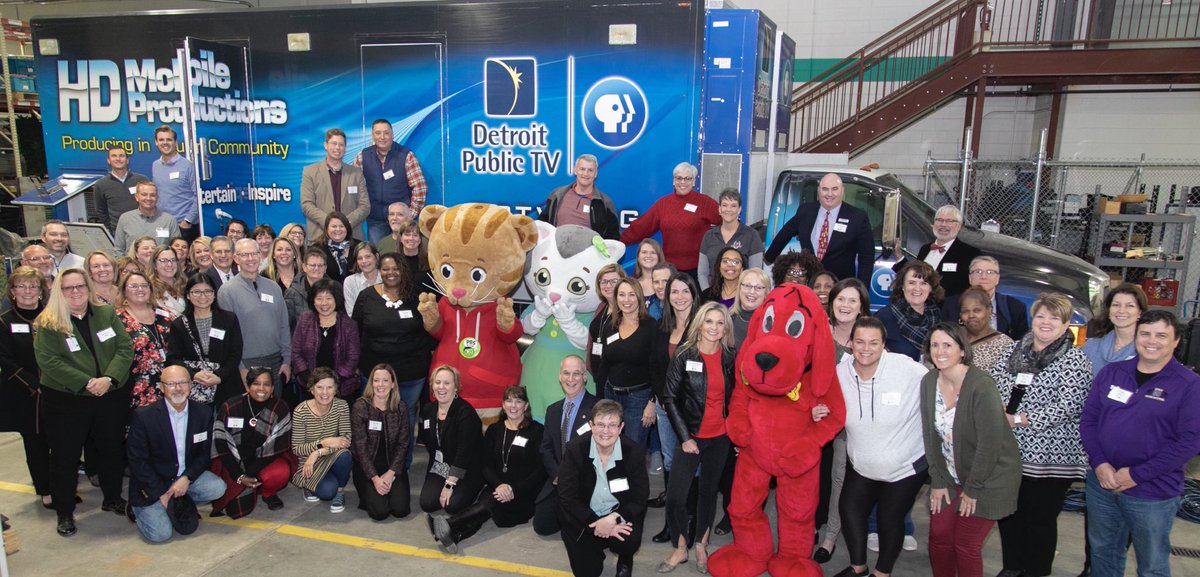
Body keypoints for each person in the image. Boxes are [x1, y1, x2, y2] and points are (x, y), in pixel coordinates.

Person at [1080, 310, 1200, 577]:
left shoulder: (1189, 385)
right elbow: (1088, 421)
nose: (1151, 341)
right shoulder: (1112, 373)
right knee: (1103, 553)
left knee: (1152, 564)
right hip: (1102, 484)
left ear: (1176, 341)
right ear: (1136, 337)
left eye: (1161, 335)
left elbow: (1191, 442)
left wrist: (1136, 475)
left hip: (1152, 492)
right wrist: (1099, 464)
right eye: (1145, 333)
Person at [991, 292, 1092, 577]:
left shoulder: (1074, 359)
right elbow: (993, 383)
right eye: (1041, 316)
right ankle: (1012, 567)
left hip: (1050, 457)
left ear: (1065, 324)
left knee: (1040, 520)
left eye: (1054, 318)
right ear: (1032, 318)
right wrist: (997, 410)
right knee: (1008, 513)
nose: (1046, 322)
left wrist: (1021, 419)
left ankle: (1035, 571)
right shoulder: (1014, 350)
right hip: (1010, 451)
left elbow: (1069, 405)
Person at [825, 317, 929, 577]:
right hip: (862, 463)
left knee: (889, 519)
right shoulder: (841, 372)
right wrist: (820, 410)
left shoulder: (906, 368)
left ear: (884, 345)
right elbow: (826, 402)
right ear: (850, 343)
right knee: (849, 510)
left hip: (904, 466)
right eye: (859, 341)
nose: (866, 348)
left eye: (874, 343)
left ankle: (882, 573)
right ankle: (858, 566)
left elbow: (939, 385)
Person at [33, 268, 133, 536]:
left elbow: (125, 348)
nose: (75, 292)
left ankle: (112, 498)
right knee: (65, 458)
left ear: (89, 288)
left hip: (108, 395)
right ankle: (64, 512)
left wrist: (109, 378)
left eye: (80, 286)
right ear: (59, 292)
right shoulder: (49, 323)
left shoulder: (105, 313)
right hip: (67, 400)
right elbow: (49, 362)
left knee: (111, 449)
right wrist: (89, 383)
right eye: (68, 288)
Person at [920, 323, 1021, 577]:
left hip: (989, 478)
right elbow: (930, 435)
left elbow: (990, 444)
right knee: (939, 537)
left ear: (962, 351)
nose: (940, 351)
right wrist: (938, 479)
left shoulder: (981, 385)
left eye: (947, 345)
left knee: (965, 544)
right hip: (950, 475)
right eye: (934, 345)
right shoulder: (929, 381)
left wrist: (972, 488)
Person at [658, 303, 735, 573]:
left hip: (721, 438)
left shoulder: (729, 356)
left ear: (726, 327)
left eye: (719, 322)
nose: (714, 327)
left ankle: (702, 544)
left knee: (708, 492)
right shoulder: (684, 355)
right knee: (677, 497)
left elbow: (736, 397)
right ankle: (681, 548)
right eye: (709, 321)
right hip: (691, 436)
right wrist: (684, 437)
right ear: (699, 324)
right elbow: (669, 398)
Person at [430, 385, 547, 553]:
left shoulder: (537, 431)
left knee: (486, 506)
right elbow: (485, 465)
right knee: (485, 507)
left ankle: (448, 524)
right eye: (509, 400)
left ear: (526, 406)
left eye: (518, 401)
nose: (513, 405)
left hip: (522, 493)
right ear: (503, 405)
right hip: (496, 486)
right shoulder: (495, 430)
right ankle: (454, 535)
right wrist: (499, 485)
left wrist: (514, 490)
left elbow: (540, 469)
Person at [352, 252, 435, 468]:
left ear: (403, 271)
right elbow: (356, 331)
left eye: (396, 268)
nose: (391, 273)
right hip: (373, 372)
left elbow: (429, 330)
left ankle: (401, 467)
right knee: (372, 417)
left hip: (411, 372)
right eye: (386, 268)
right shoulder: (366, 296)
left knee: (404, 419)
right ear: (380, 270)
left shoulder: (417, 296)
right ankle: (372, 465)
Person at [126, 365, 226, 542]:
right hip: (152, 481)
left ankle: (178, 501)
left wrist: (186, 478)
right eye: (171, 384)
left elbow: (204, 455)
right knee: (160, 535)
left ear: (190, 386)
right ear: (162, 387)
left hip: (182, 478)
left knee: (217, 488)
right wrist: (161, 493)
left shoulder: (203, 413)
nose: (178, 388)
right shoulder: (144, 416)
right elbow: (137, 460)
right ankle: (137, 509)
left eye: (182, 383)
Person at [812, 278, 871, 562]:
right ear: (831, 302)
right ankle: (809, 524)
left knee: (838, 480)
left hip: (848, 426)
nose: (845, 305)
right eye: (840, 299)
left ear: (861, 306)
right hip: (814, 419)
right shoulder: (820, 331)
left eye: (852, 300)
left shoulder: (867, 338)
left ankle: (830, 537)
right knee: (810, 478)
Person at [557, 398, 650, 577]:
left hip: (617, 513)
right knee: (587, 573)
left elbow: (640, 497)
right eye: (600, 424)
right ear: (591, 425)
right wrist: (596, 524)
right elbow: (567, 497)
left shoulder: (633, 452)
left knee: (628, 540)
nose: (605, 431)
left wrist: (613, 519)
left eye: (612, 425)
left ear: (621, 427)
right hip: (585, 516)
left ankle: (625, 557)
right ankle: (595, 545)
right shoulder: (575, 450)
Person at [647, 271, 702, 542]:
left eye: (684, 291)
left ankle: (690, 522)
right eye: (674, 292)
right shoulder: (662, 328)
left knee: (692, 466)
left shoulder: (702, 329)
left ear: (693, 294)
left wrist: (678, 403)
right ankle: (672, 523)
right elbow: (655, 369)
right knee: (669, 463)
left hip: (692, 410)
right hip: (665, 409)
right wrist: (664, 401)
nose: (679, 297)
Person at [210, 367, 297, 517]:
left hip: (264, 461)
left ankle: (268, 492)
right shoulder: (230, 406)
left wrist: (250, 473)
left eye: (267, 384)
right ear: (247, 386)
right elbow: (221, 443)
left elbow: (277, 446)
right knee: (236, 509)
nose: (261, 388)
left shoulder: (280, 408)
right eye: (256, 383)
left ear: (272, 388)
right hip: (234, 461)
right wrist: (239, 475)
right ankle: (249, 485)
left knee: (280, 472)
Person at [0, 267, 52, 508]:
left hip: (56, 390)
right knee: (35, 444)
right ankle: (45, 489)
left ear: (41, 291)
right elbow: (5, 360)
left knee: (61, 442)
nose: (28, 291)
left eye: (33, 286)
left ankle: (62, 485)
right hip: (25, 394)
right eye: (22, 286)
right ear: (13, 291)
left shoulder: (52, 316)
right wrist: (34, 384)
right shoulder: (5, 320)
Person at [764, 173, 874, 285]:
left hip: (839, 286)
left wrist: (861, 290)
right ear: (819, 190)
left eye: (834, 189)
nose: (829, 194)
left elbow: (866, 257)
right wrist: (768, 258)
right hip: (808, 283)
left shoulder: (857, 217)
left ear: (842, 190)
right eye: (825, 189)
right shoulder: (805, 211)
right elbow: (785, 233)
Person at [217, 238, 291, 399]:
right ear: (236, 258)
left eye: (254, 253)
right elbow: (227, 336)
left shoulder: (273, 287)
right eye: (245, 255)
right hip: (246, 362)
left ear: (260, 256)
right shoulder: (227, 291)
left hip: (276, 361)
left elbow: (284, 325)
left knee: (273, 410)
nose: (250, 258)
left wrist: (287, 359)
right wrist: (240, 366)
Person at [620, 162, 721, 278]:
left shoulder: (705, 202)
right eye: (679, 178)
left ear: (693, 181)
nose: (683, 182)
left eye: (687, 178)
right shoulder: (663, 204)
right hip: (669, 269)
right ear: (674, 181)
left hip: (698, 270)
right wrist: (618, 241)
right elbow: (641, 227)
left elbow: (727, 219)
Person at [535, 355, 598, 536]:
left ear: (585, 377)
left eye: (576, 374)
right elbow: (546, 448)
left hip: (585, 479)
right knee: (542, 526)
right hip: (559, 478)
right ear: (559, 377)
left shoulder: (597, 408)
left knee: (579, 529)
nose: (571, 379)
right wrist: (557, 475)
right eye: (566, 373)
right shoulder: (553, 410)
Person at [593, 277, 657, 447]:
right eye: (621, 295)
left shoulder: (651, 327)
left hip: (639, 399)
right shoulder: (611, 326)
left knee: (633, 450)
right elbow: (604, 366)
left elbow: (657, 368)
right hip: (611, 395)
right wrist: (600, 402)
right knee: (609, 446)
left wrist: (652, 402)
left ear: (639, 297)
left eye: (631, 295)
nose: (626, 300)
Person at [166, 273, 244, 406]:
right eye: (196, 292)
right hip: (195, 387)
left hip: (226, 383)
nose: (203, 296)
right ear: (188, 295)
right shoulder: (179, 325)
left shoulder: (229, 319)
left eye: (208, 291)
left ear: (214, 294)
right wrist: (194, 374)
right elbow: (173, 358)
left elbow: (235, 353)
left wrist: (219, 376)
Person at [418, 365, 484, 517]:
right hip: (441, 466)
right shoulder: (428, 410)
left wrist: (449, 484)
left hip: (466, 467)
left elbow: (464, 452)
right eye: (437, 382)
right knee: (427, 503)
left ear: (456, 387)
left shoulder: (465, 413)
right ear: (432, 386)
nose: (441, 387)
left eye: (447, 383)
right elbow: (431, 445)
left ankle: (477, 487)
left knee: (452, 505)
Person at [350, 364, 412, 521]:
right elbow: (360, 448)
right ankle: (374, 491)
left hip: (393, 466)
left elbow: (403, 443)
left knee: (401, 510)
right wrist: (375, 479)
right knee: (380, 513)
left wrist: (391, 473)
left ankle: (390, 489)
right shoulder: (360, 407)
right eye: (376, 380)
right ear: (371, 383)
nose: (380, 384)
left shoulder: (401, 407)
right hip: (368, 469)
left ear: (392, 384)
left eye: (385, 380)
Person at [357, 118, 429, 244]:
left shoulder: (406, 156)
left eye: (386, 133)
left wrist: (409, 215)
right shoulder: (363, 157)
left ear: (392, 134)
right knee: (379, 256)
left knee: (403, 256)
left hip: (401, 220)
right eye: (378, 133)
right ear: (372, 135)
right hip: (375, 221)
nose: (382, 137)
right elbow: (355, 186)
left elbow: (420, 188)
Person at [291, 367, 353, 512]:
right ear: (312, 390)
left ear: (336, 389)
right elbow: (297, 448)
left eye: (329, 387)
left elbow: (346, 439)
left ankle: (340, 491)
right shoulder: (301, 411)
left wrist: (318, 452)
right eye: (319, 387)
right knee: (326, 492)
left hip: (330, 456)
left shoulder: (342, 406)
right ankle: (308, 484)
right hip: (308, 463)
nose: (325, 392)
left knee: (345, 456)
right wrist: (323, 443)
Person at [291, 278, 360, 400]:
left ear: (336, 299)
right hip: (309, 387)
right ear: (313, 301)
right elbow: (296, 352)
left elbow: (352, 358)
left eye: (329, 298)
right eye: (319, 298)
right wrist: (310, 380)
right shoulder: (304, 319)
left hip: (341, 388)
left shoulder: (349, 325)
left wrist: (332, 383)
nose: (324, 303)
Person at [891, 205, 980, 298]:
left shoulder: (970, 253)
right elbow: (914, 277)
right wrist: (898, 256)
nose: (943, 225)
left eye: (949, 221)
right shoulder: (925, 249)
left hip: (947, 310)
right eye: (939, 220)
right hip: (921, 306)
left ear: (958, 226)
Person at [116, 269, 172, 409]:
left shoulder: (165, 314)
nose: (140, 289)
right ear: (124, 291)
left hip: (170, 384)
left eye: (144, 285)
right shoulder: (116, 319)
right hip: (135, 387)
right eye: (133, 286)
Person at [301, 127, 370, 240]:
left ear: (345, 148)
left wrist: (345, 223)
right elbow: (307, 205)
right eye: (334, 143)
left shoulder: (356, 173)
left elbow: (365, 206)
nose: (337, 147)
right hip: (320, 236)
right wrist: (329, 223)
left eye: (341, 144)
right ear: (326, 145)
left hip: (351, 236)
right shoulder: (310, 172)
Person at [941, 256, 1029, 341]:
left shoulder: (1015, 307)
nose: (983, 276)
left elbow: (1020, 345)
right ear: (970, 278)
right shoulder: (950, 305)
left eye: (990, 272)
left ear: (997, 278)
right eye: (978, 271)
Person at [539, 153, 620, 240]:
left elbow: (613, 236)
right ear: (575, 170)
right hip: (557, 250)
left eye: (590, 170)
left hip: (589, 252)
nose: (585, 173)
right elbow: (542, 223)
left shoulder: (605, 202)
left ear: (595, 174)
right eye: (582, 169)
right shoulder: (557, 195)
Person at [696, 189, 764, 291]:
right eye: (725, 205)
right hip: (712, 297)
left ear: (739, 209)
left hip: (740, 296)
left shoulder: (752, 235)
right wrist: (707, 295)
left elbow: (756, 273)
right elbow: (702, 273)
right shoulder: (709, 236)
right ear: (719, 209)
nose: (728, 209)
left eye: (733, 206)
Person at [876, 260, 943, 362]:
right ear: (902, 286)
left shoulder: (938, 316)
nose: (917, 288)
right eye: (912, 283)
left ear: (930, 288)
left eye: (923, 283)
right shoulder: (884, 317)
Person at [1082, 282, 1148, 378]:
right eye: (1116, 305)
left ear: (1140, 313)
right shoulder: (1091, 346)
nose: (1121, 311)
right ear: (1109, 310)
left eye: (1130, 306)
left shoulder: (1147, 349)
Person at [150, 125, 198, 242]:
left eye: (169, 139)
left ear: (175, 142)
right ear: (156, 142)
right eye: (161, 140)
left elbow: (198, 196)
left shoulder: (188, 166)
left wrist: (187, 221)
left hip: (183, 227)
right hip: (163, 225)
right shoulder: (155, 165)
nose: (165, 143)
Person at [93, 144, 150, 234]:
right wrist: (112, 227)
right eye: (114, 156)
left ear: (127, 160)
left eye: (121, 156)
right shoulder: (101, 184)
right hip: (118, 232)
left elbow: (151, 202)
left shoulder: (141, 180)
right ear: (108, 160)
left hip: (143, 228)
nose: (118, 159)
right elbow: (100, 210)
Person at [956, 286, 1013, 372]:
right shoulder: (953, 338)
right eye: (965, 311)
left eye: (977, 310)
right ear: (960, 315)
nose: (971, 315)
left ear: (989, 311)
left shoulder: (1005, 345)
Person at [285, 247, 340, 330]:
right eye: (313, 265)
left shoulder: (335, 289)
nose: (316, 269)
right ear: (304, 267)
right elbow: (287, 325)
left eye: (320, 265)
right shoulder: (292, 293)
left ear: (325, 268)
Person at [588, 263, 627, 376]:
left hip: (617, 376)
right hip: (598, 373)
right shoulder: (601, 307)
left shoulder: (627, 310)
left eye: (614, 281)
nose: (608, 285)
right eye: (604, 281)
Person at [317, 211, 361, 284]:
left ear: (347, 228)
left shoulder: (358, 246)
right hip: (328, 290)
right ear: (326, 229)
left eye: (341, 226)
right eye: (334, 226)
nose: (338, 229)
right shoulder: (317, 249)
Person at [730, 268, 770, 346]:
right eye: (747, 286)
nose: (752, 292)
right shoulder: (726, 319)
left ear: (766, 293)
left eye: (758, 288)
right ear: (739, 288)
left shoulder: (769, 325)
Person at [394, 221, 432, 296]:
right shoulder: (394, 261)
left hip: (425, 304)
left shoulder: (429, 261)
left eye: (415, 235)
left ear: (420, 240)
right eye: (407, 235)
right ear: (401, 238)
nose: (411, 238)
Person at [342, 242, 381, 314]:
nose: (364, 261)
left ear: (377, 256)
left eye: (368, 256)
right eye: (360, 258)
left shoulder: (387, 278)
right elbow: (351, 313)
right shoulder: (350, 281)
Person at [149, 244, 186, 316]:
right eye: (164, 260)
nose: (169, 264)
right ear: (154, 265)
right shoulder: (149, 290)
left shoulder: (185, 285)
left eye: (173, 260)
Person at [633, 239, 665, 317]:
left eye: (653, 253)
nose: (648, 256)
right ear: (638, 257)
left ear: (659, 257)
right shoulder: (630, 285)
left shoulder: (669, 283)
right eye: (644, 252)